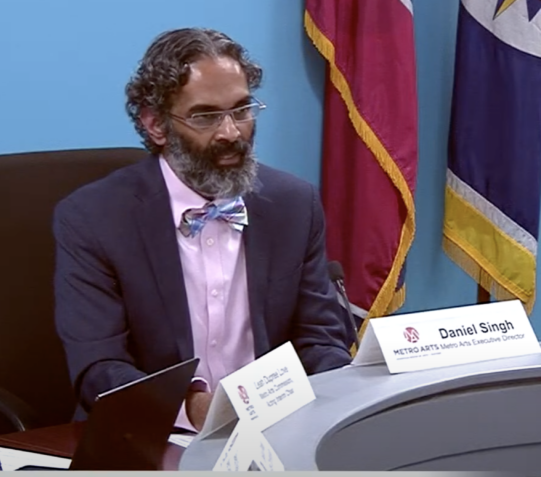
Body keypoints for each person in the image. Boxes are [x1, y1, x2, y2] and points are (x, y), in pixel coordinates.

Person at [53, 27, 352, 431]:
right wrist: (191, 409)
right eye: (206, 116)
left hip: (275, 433)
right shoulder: (94, 218)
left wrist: (348, 394)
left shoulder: (293, 205)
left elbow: (320, 340)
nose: (231, 132)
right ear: (155, 124)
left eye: (242, 110)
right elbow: (99, 368)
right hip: (150, 436)